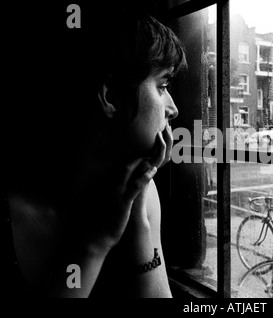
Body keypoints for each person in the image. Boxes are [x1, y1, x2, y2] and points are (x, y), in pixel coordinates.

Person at [3, 3, 187, 298]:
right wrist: (96, 242)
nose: (174, 110)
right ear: (111, 95)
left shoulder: (140, 193)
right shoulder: (16, 212)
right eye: (162, 85)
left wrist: (139, 220)